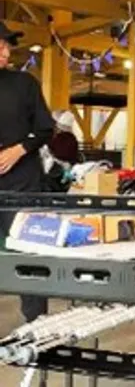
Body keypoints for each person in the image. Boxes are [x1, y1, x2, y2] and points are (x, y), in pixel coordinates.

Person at [0, 22, 55, 323]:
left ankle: (38, 326)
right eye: (0, 46)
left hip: (22, 184)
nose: (6, 52)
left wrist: (19, 149)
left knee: (29, 252)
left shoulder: (25, 84)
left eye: (8, 46)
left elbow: (46, 128)